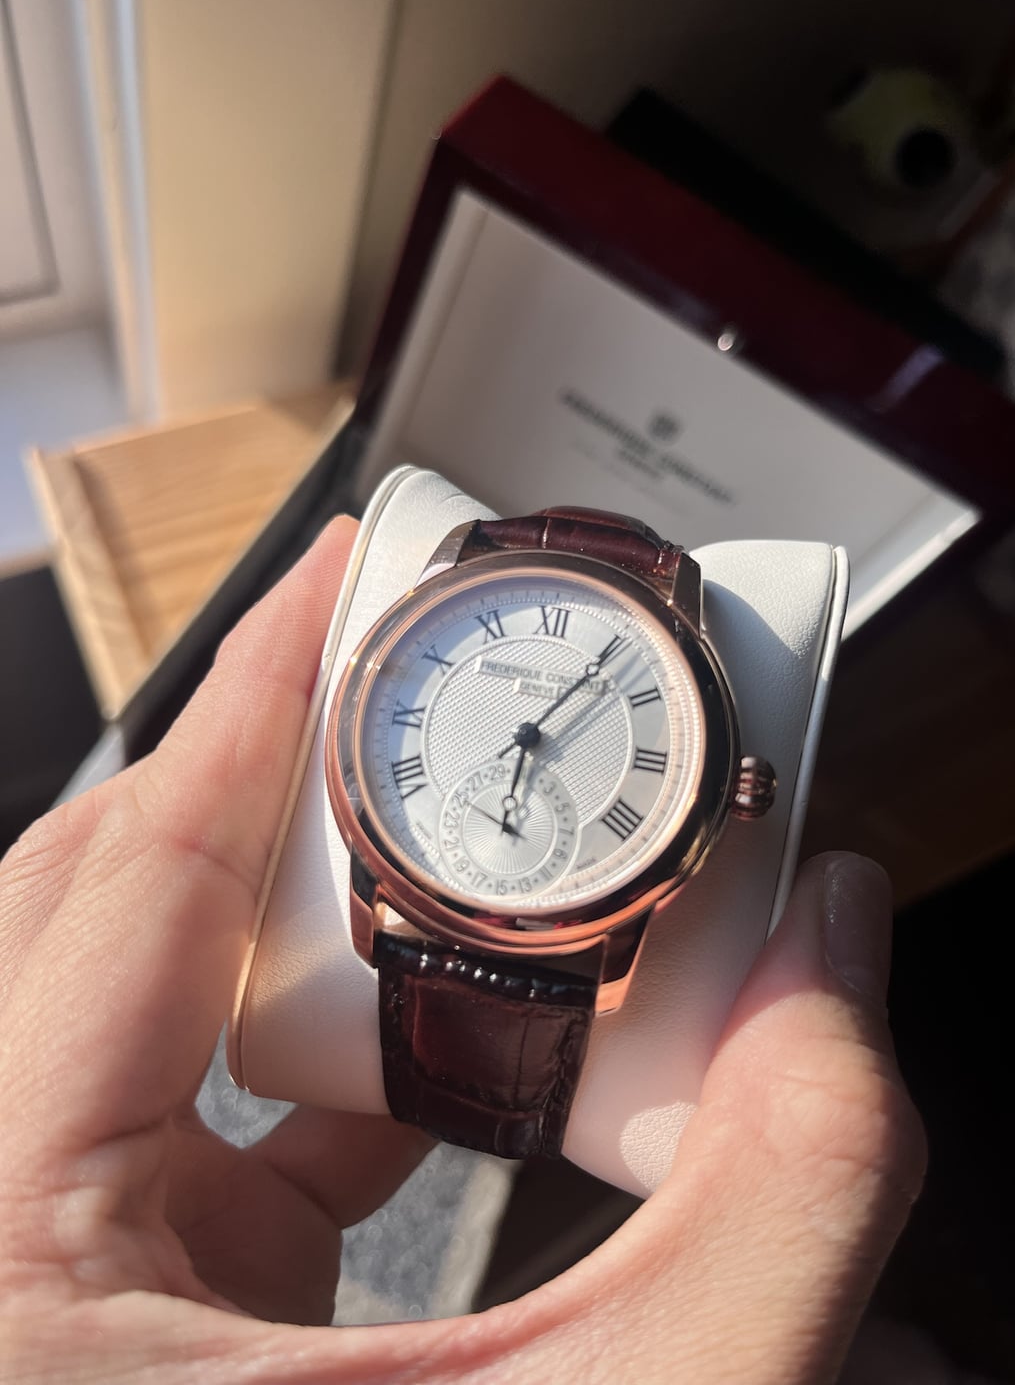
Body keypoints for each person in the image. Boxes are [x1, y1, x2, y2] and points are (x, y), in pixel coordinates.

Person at [0, 519, 926, 1383]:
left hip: (572, 936)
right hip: (400, 895)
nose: (527, 737)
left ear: (736, 788)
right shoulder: (407, 684)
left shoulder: (684, 667)